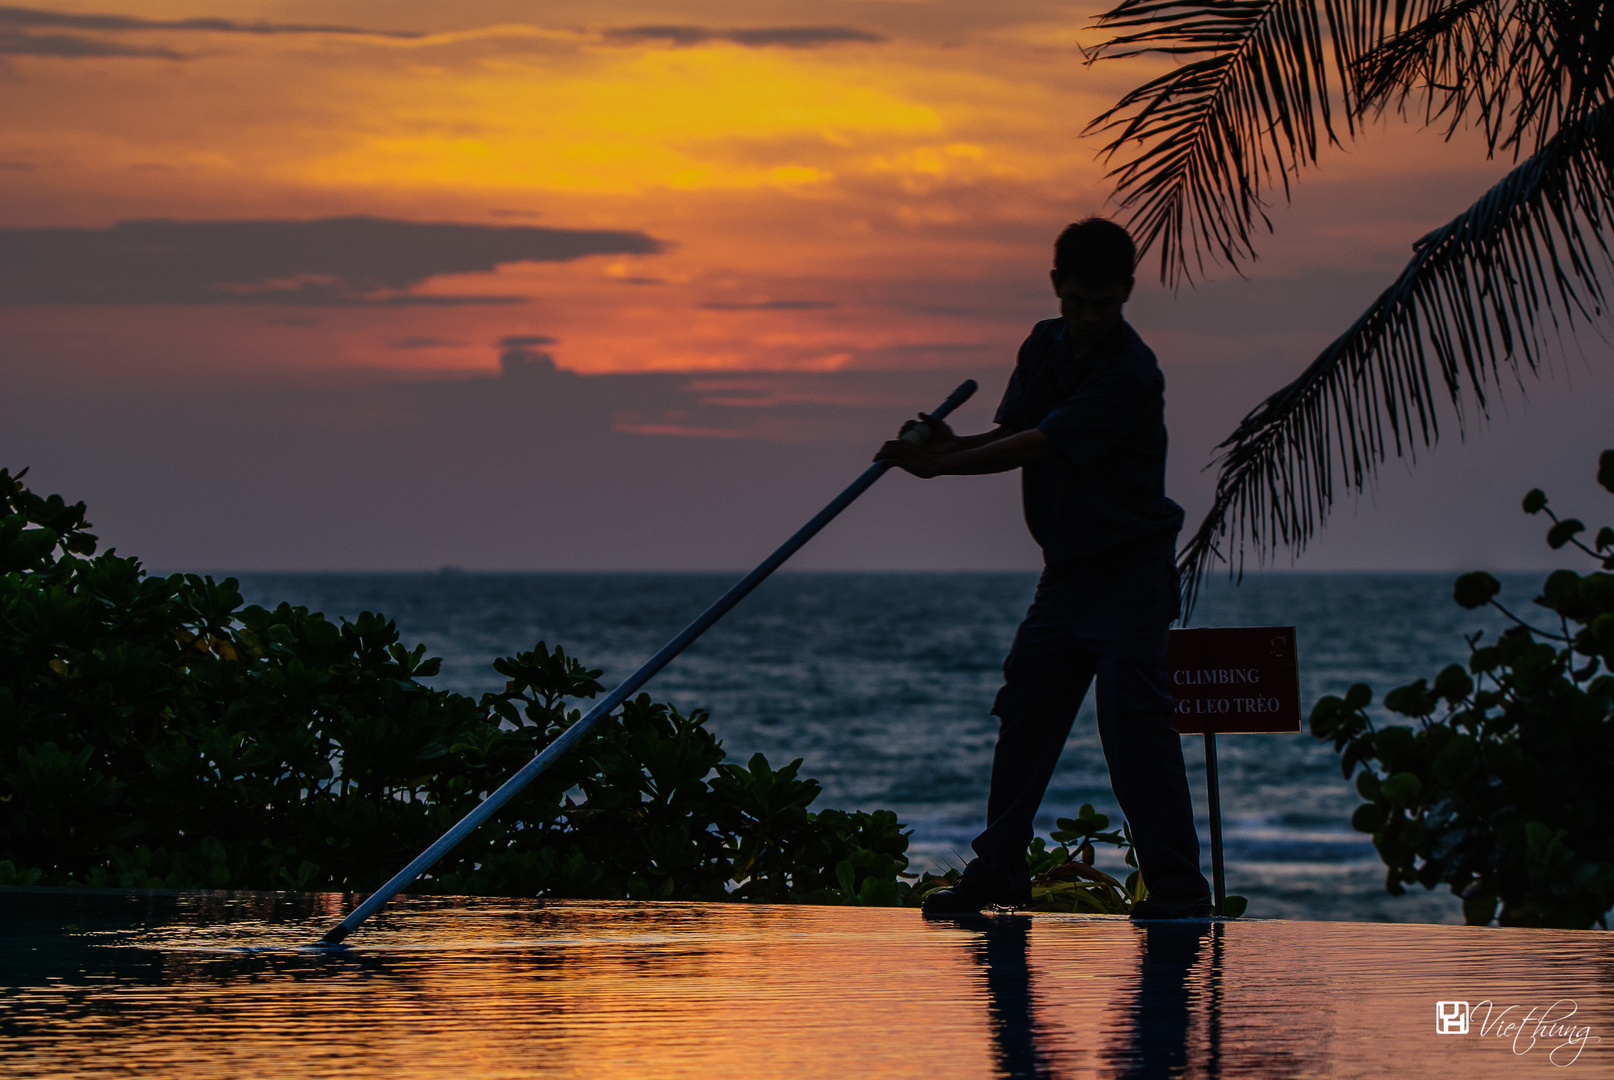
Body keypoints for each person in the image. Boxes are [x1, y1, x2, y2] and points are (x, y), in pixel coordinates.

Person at [875, 218, 1212, 919]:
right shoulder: (1042, 343)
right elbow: (1013, 429)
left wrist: (940, 467)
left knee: (1133, 732)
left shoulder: (1130, 373)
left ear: (1127, 293)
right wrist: (951, 443)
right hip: (1066, 575)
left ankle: (1177, 887)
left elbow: (1041, 444)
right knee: (1027, 708)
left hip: (1130, 574)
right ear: (1057, 285)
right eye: (1079, 300)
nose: (1090, 316)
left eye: (1106, 303)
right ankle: (999, 868)